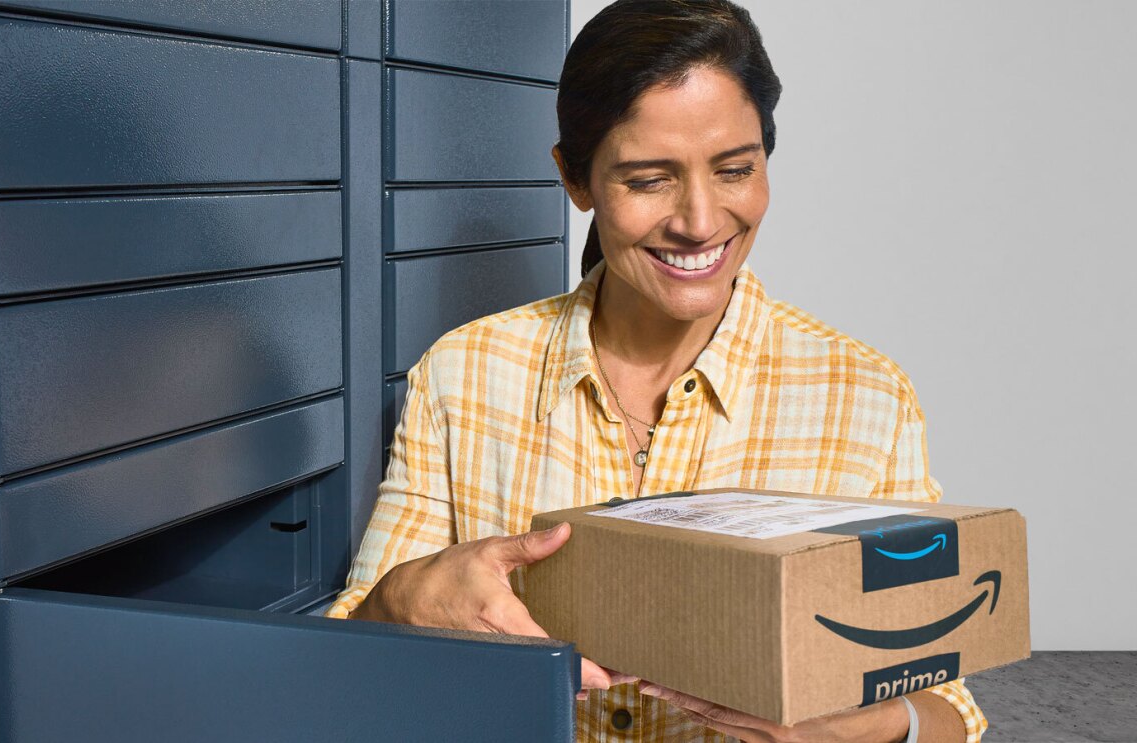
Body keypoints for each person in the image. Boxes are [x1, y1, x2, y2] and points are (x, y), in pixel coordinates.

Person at [325, 1, 988, 740]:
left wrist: (854, 729)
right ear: (575, 180)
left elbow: (948, 706)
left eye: (735, 169)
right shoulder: (466, 373)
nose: (701, 220)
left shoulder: (865, 399)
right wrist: (411, 596)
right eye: (649, 180)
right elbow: (347, 655)